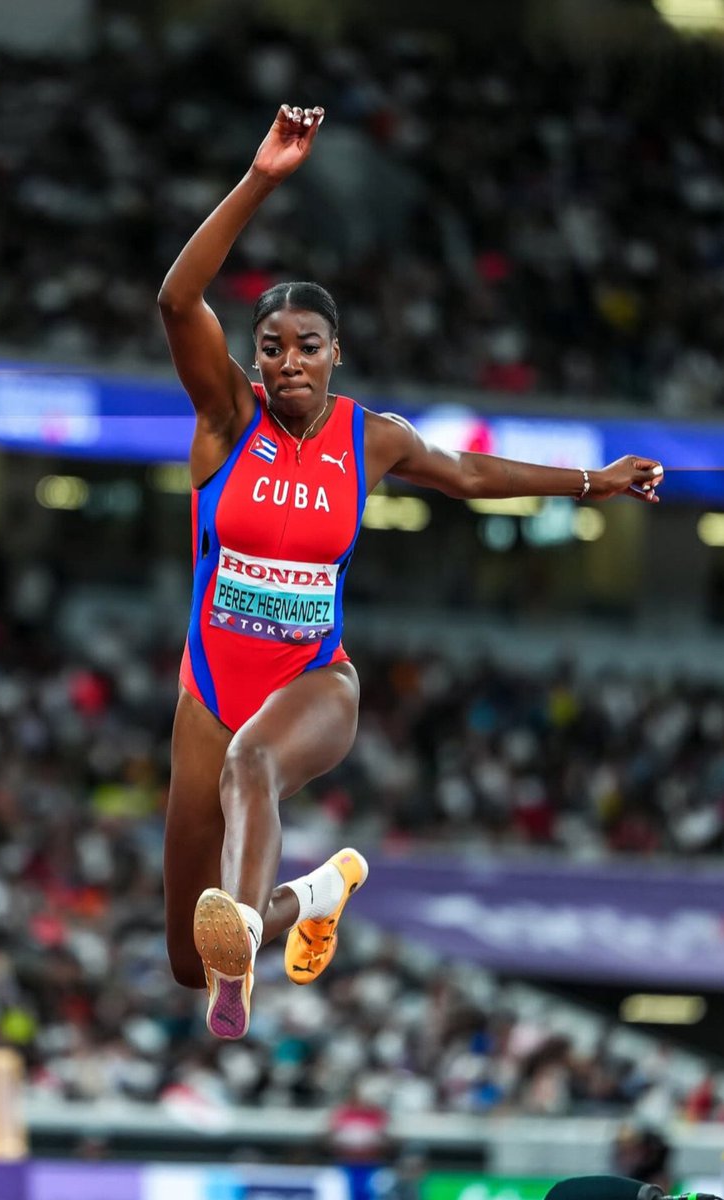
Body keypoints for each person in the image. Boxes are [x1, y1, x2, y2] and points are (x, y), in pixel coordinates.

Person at [157, 103, 664, 1041]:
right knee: (189, 961)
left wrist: (594, 481)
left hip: (314, 681)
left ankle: (247, 931)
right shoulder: (228, 416)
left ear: (336, 353)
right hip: (209, 689)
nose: (290, 362)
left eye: (309, 346)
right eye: (272, 347)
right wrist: (261, 179)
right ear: (254, 359)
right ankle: (313, 895)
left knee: (252, 765)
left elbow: (469, 474)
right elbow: (178, 302)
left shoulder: (372, 438)